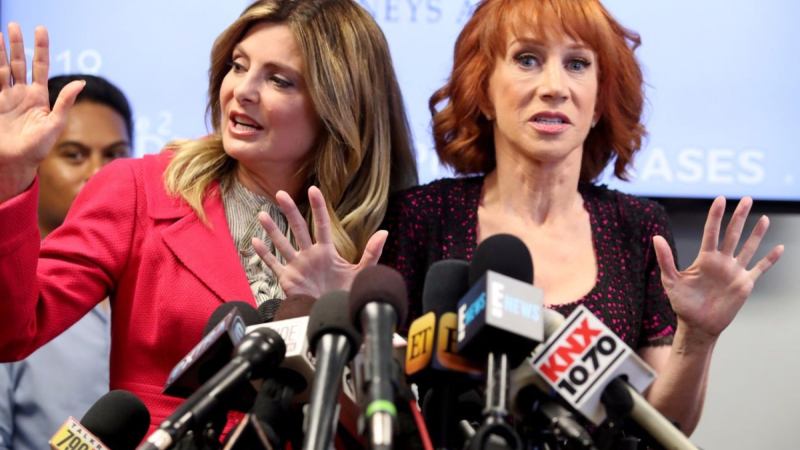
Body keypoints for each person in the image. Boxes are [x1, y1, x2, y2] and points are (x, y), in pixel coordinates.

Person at [0, 0, 417, 433]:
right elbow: (10, 332)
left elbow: (397, 430)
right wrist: (11, 177)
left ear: (340, 105)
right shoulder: (140, 190)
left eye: (278, 80)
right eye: (238, 66)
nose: (242, 90)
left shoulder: (390, 227)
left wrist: (341, 330)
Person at [377, 0, 783, 436]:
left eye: (577, 64)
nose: (555, 87)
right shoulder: (421, 217)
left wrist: (698, 337)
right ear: (484, 89)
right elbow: (377, 400)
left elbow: (663, 428)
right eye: (527, 59)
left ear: (598, 102)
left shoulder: (638, 227)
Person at [0, 74, 131, 450]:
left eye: (115, 155)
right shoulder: (9, 302)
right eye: (74, 155)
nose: (99, 173)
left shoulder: (151, 288)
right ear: (32, 159)